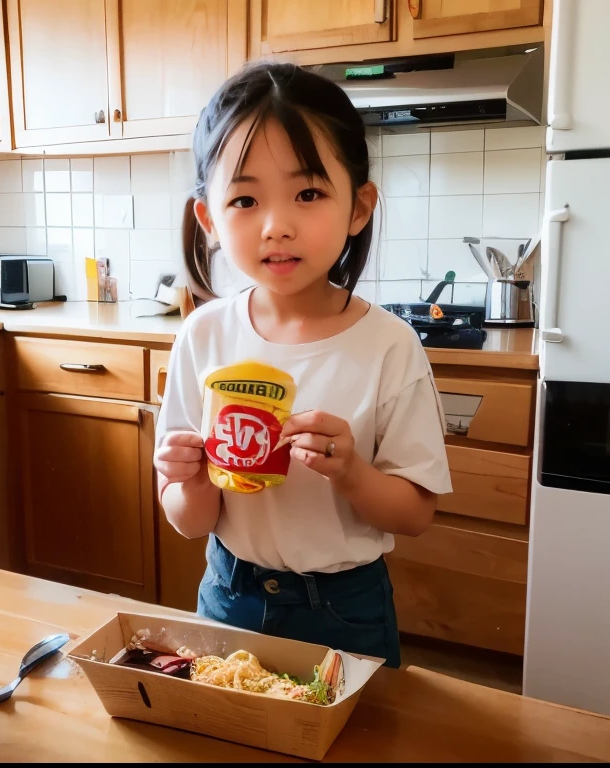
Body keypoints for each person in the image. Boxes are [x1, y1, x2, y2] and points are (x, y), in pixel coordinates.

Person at [154, 61, 451, 668]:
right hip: (230, 594)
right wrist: (185, 477)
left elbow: (417, 513)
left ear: (358, 207)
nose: (277, 226)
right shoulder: (205, 334)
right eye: (244, 199)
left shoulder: (389, 346)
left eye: (309, 193)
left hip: (345, 607)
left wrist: (352, 473)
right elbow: (189, 522)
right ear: (209, 219)